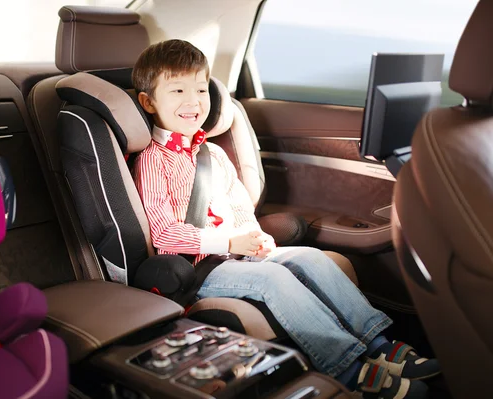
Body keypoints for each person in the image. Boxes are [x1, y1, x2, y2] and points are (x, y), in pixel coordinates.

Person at [132, 39, 439, 398]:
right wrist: (229, 242)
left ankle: (382, 348)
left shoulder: (211, 153)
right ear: (149, 102)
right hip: (198, 266)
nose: (193, 101)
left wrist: (253, 235)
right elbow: (165, 233)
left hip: (237, 251)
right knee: (273, 279)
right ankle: (352, 371)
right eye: (178, 90)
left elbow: (237, 205)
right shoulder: (153, 160)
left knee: (309, 257)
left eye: (201, 89)